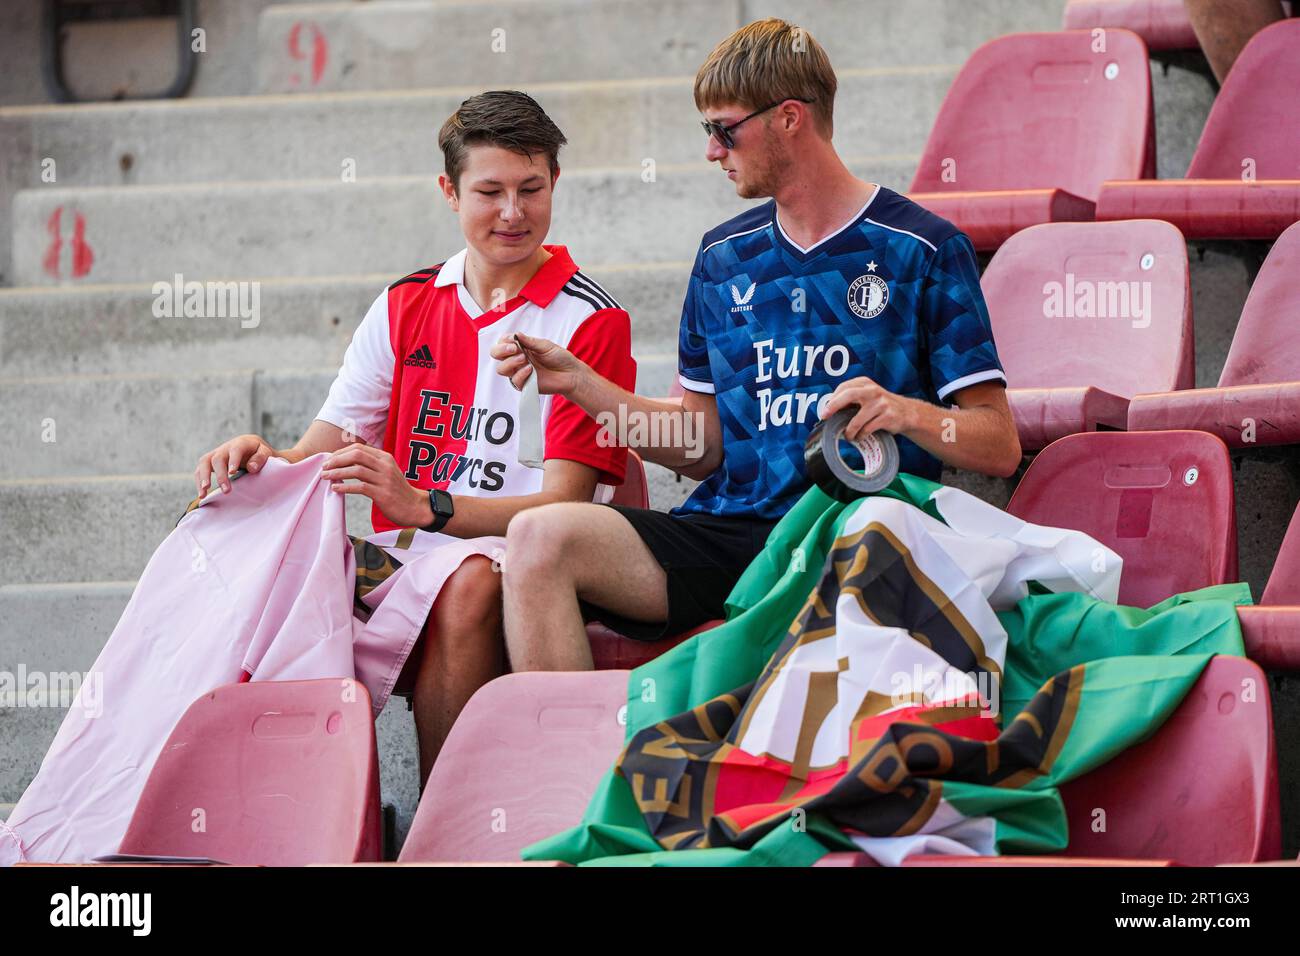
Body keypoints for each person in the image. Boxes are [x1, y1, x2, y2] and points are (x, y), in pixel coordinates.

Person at [489, 18, 1021, 670]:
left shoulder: (923, 248)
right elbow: (699, 448)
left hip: (855, 532)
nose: (713, 151)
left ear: (789, 118)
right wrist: (582, 385)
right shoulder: (722, 256)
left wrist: (907, 412)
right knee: (538, 537)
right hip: (732, 533)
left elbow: (999, 445)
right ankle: (565, 771)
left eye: (724, 129)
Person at [194, 90, 635, 785]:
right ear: (449, 193)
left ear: (555, 184)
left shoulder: (591, 319)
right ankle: (289, 818)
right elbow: (320, 449)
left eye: (532, 189)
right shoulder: (406, 302)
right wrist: (260, 457)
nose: (513, 212)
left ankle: (446, 821)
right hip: (402, 558)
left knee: (465, 584)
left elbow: (563, 506)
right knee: (247, 561)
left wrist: (428, 505)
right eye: (489, 191)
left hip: (521, 564)